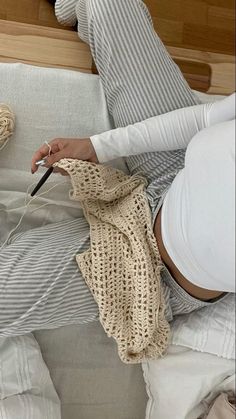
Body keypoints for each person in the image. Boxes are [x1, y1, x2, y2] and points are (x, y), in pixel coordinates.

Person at [0, 0, 235, 337]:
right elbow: (204, 118)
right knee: (108, 4)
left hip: (148, 270)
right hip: (175, 165)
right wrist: (98, 146)